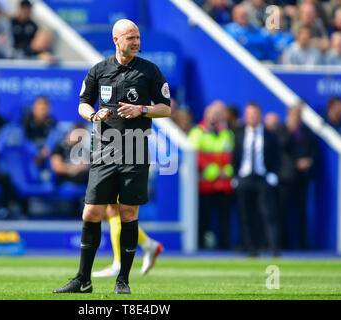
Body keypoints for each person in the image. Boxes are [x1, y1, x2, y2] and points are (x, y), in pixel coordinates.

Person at [53, 19, 171, 294]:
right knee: (92, 211)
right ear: (116, 40)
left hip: (134, 150)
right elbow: (83, 103)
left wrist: (141, 110)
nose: (136, 42)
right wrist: (94, 115)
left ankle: (123, 281)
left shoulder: (150, 71)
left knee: (128, 213)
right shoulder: (99, 70)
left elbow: (165, 108)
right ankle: (83, 279)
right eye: (130, 37)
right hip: (104, 151)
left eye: (138, 37)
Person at [232, 102, 279, 257]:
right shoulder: (238, 134)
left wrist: (273, 174)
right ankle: (251, 249)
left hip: (262, 178)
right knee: (246, 216)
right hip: (244, 178)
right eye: (249, 114)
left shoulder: (269, 135)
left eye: (255, 114)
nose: (252, 117)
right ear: (245, 116)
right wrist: (235, 176)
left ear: (260, 115)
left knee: (267, 214)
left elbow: (276, 156)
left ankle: (273, 248)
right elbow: (235, 157)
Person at [188, 103, 235, 249]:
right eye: (211, 113)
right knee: (204, 217)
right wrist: (212, 170)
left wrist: (227, 170)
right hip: (205, 184)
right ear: (205, 115)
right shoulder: (197, 132)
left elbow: (232, 155)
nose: (214, 117)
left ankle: (225, 246)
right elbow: (194, 156)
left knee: (224, 217)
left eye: (217, 114)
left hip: (224, 184)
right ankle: (200, 245)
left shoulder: (227, 133)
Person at [277, 105, 318, 249]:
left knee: (302, 212)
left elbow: (314, 150)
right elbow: (281, 146)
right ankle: (283, 243)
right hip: (286, 177)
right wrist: (290, 128)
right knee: (282, 211)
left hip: (303, 177)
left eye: (299, 114)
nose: (298, 117)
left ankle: (303, 244)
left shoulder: (306, 131)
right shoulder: (282, 129)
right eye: (295, 114)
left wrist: (309, 161)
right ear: (288, 115)